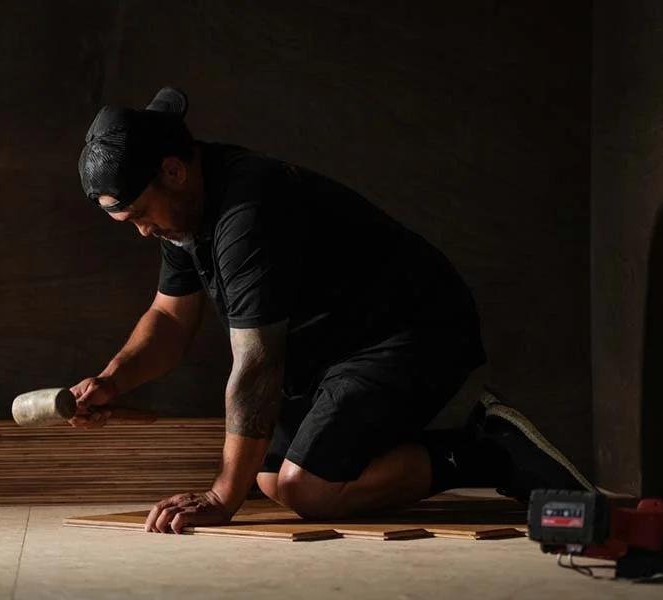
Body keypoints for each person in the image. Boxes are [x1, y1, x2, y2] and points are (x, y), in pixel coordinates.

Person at [71, 87, 594, 534]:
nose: (143, 230)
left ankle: (491, 452)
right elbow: (168, 319)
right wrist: (113, 380)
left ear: (173, 170)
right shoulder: (183, 214)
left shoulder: (247, 213)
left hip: (412, 329)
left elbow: (255, 367)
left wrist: (220, 498)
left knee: (310, 489)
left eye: (140, 214)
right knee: (273, 479)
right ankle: (441, 443)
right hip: (337, 347)